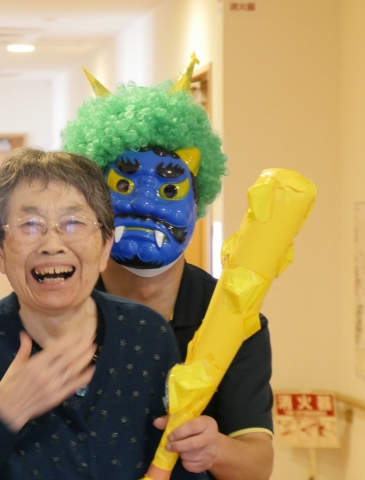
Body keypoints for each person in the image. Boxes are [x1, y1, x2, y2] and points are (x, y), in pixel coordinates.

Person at [0, 149, 181, 480]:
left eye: (73, 223)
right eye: (30, 225)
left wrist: (197, 449)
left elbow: (177, 463)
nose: (52, 244)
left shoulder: (148, 335)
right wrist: (2, 418)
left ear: (105, 246)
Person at [61, 56, 274, 480]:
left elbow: (258, 464)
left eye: (169, 187)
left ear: (198, 202)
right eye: (123, 184)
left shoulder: (232, 316)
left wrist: (214, 448)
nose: (144, 203)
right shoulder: (59, 302)